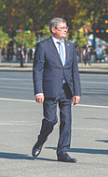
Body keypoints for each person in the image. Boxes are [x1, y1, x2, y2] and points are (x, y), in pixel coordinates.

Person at [32, 17, 81, 163]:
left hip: (67, 90)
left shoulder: (70, 46)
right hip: (50, 89)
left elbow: (74, 71)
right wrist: (38, 91)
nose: (66, 30)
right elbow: (38, 70)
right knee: (51, 120)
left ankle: (63, 151)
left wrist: (77, 92)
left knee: (67, 121)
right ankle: (41, 139)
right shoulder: (43, 46)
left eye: (66, 27)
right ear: (54, 30)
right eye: (63, 28)